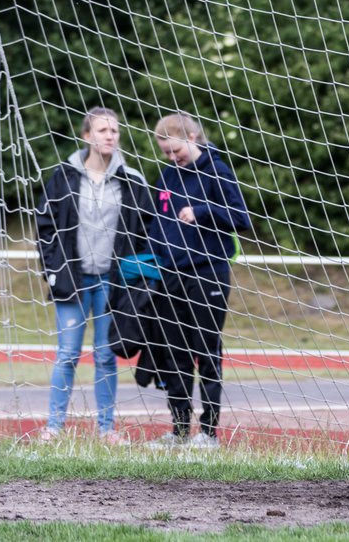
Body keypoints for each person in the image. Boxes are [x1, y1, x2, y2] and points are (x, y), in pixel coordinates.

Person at [34, 106, 154, 443]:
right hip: (72, 280)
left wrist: (138, 277)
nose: (110, 136)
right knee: (68, 353)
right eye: (102, 130)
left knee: (105, 354)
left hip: (111, 283)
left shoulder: (133, 181)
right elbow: (45, 226)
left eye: (114, 131)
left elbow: (146, 231)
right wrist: (51, 269)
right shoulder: (63, 176)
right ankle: (54, 427)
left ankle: (106, 430)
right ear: (87, 136)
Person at [145, 112, 250, 450]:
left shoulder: (217, 172)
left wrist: (202, 210)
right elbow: (158, 224)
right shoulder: (167, 176)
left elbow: (240, 217)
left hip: (207, 274)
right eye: (166, 153)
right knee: (174, 353)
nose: (172, 158)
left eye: (175, 150)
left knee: (206, 352)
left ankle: (209, 433)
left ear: (192, 137)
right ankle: (178, 431)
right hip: (171, 276)